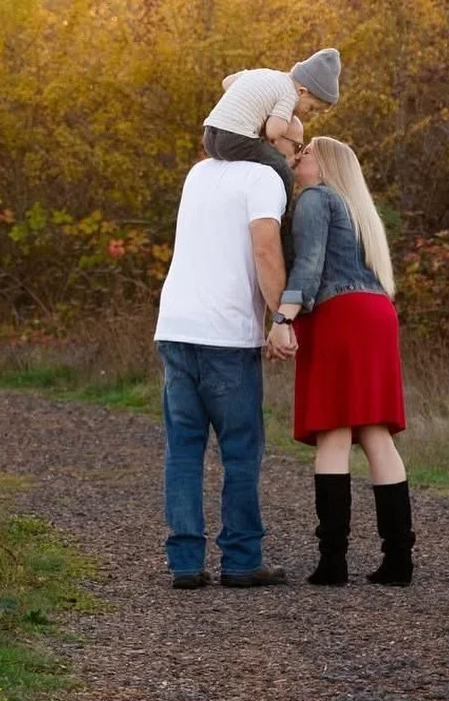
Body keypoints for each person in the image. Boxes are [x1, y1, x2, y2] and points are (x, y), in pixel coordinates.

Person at [269, 136, 414, 587]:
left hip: (340, 317)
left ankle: (333, 560)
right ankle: (398, 560)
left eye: (306, 153)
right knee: (375, 433)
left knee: (334, 431)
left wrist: (282, 317)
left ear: (327, 164)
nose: (298, 158)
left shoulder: (316, 197)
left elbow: (309, 265)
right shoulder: (357, 209)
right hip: (376, 316)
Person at [153, 139, 297, 589]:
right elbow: (266, 252)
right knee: (240, 448)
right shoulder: (264, 178)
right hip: (225, 333)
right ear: (270, 142)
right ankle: (241, 558)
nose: (294, 155)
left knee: (184, 449)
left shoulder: (199, 173)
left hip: (175, 326)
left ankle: (186, 562)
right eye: (293, 143)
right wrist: (281, 317)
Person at [201, 48, 341, 200]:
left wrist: (254, 103)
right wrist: (280, 118)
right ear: (302, 91)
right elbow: (273, 131)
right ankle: (284, 211)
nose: (308, 113)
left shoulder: (261, 73)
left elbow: (227, 82)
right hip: (234, 139)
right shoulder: (289, 94)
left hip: (209, 136)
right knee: (282, 168)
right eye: (311, 108)